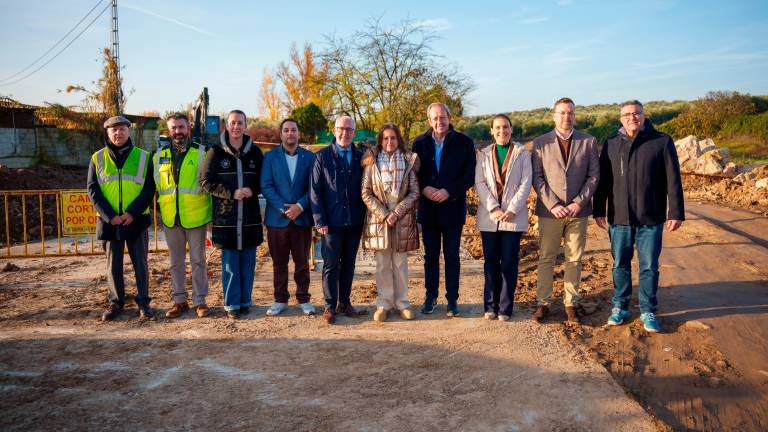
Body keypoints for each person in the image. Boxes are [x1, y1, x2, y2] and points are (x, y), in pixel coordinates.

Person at [593, 100, 684, 333]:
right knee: (620, 265)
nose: (632, 117)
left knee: (649, 266)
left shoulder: (661, 141)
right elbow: (604, 180)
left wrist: (676, 212)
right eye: (627, 114)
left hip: (650, 217)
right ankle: (620, 307)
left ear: (644, 116)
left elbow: (673, 179)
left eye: (636, 113)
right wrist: (598, 209)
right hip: (620, 217)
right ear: (620, 119)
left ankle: (648, 310)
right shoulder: (611, 143)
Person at [531, 98, 600, 324]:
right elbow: (537, 178)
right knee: (546, 257)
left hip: (578, 212)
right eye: (561, 113)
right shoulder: (540, 143)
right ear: (554, 116)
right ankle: (543, 303)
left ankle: (571, 303)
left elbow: (594, 176)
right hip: (550, 212)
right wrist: (553, 204)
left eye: (570, 113)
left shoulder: (588, 141)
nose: (566, 117)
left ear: (575, 115)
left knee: (574, 258)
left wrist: (578, 202)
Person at [87, 116, 156, 321]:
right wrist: (110, 216)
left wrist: (132, 212)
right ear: (107, 132)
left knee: (140, 264)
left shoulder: (144, 157)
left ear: (129, 131)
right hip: (109, 222)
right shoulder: (97, 158)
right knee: (113, 265)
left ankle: (143, 303)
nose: (118, 133)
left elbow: (149, 188)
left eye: (122, 129)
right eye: (114, 130)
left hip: (136, 220)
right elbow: (92, 189)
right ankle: (116, 303)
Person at [412, 102, 476, 317]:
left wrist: (449, 191)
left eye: (443, 117)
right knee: (430, 257)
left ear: (449, 117)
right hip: (428, 209)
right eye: (435, 118)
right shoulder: (419, 143)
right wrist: (424, 188)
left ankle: (452, 300)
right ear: (429, 121)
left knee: (452, 256)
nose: (439, 121)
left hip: (452, 208)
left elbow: (469, 175)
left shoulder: (464, 142)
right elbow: (413, 173)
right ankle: (430, 297)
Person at [200, 110, 264, 320]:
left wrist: (252, 190)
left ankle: (245, 302)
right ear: (226, 126)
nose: (236, 127)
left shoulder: (255, 152)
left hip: (250, 218)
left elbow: (263, 180)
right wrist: (231, 193)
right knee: (229, 265)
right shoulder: (215, 152)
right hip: (225, 219)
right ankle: (231, 304)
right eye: (233, 123)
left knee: (248, 263)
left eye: (240, 123)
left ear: (245, 125)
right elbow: (205, 181)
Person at [310, 115, 368, 324]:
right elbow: (315, 191)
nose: (345, 133)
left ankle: (345, 302)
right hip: (331, 222)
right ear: (334, 131)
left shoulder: (361, 157)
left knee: (349, 264)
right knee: (331, 264)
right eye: (341, 129)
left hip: (354, 220)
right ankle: (329, 305)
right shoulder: (322, 157)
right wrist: (319, 220)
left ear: (354, 133)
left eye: (349, 129)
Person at [154, 113, 212, 319]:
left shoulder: (203, 153)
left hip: (196, 217)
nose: (177, 131)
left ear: (188, 128)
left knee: (198, 261)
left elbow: (209, 186)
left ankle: (200, 301)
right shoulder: (159, 156)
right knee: (175, 262)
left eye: (181, 127)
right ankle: (179, 301)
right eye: (173, 128)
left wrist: (212, 219)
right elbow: (157, 186)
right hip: (171, 218)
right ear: (168, 130)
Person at [361, 124, 420, 322]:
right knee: (382, 264)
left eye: (393, 138)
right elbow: (366, 193)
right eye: (385, 138)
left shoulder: (408, 160)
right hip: (379, 217)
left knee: (400, 263)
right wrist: (385, 214)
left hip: (402, 216)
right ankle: (384, 304)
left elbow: (414, 192)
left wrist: (397, 212)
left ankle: (403, 303)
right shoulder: (371, 161)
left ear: (398, 139)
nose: (389, 142)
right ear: (380, 140)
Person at [475, 114, 532, 321]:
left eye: (505, 127)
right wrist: (493, 208)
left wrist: (512, 208)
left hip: (512, 217)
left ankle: (505, 307)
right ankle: (490, 306)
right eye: (497, 127)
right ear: (492, 131)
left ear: (511, 129)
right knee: (491, 262)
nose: (502, 131)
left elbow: (526, 182)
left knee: (508, 262)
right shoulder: (484, 154)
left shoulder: (521, 153)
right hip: (490, 217)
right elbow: (479, 183)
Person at [260, 118, 316, 316]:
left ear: (298, 133)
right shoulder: (270, 157)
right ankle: (280, 299)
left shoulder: (310, 158)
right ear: (281, 134)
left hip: (302, 218)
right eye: (286, 130)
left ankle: (303, 298)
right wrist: (285, 209)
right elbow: (266, 185)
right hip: (277, 219)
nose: (290, 133)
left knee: (302, 263)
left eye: (293, 130)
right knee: (279, 263)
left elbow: (314, 186)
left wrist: (300, 206)